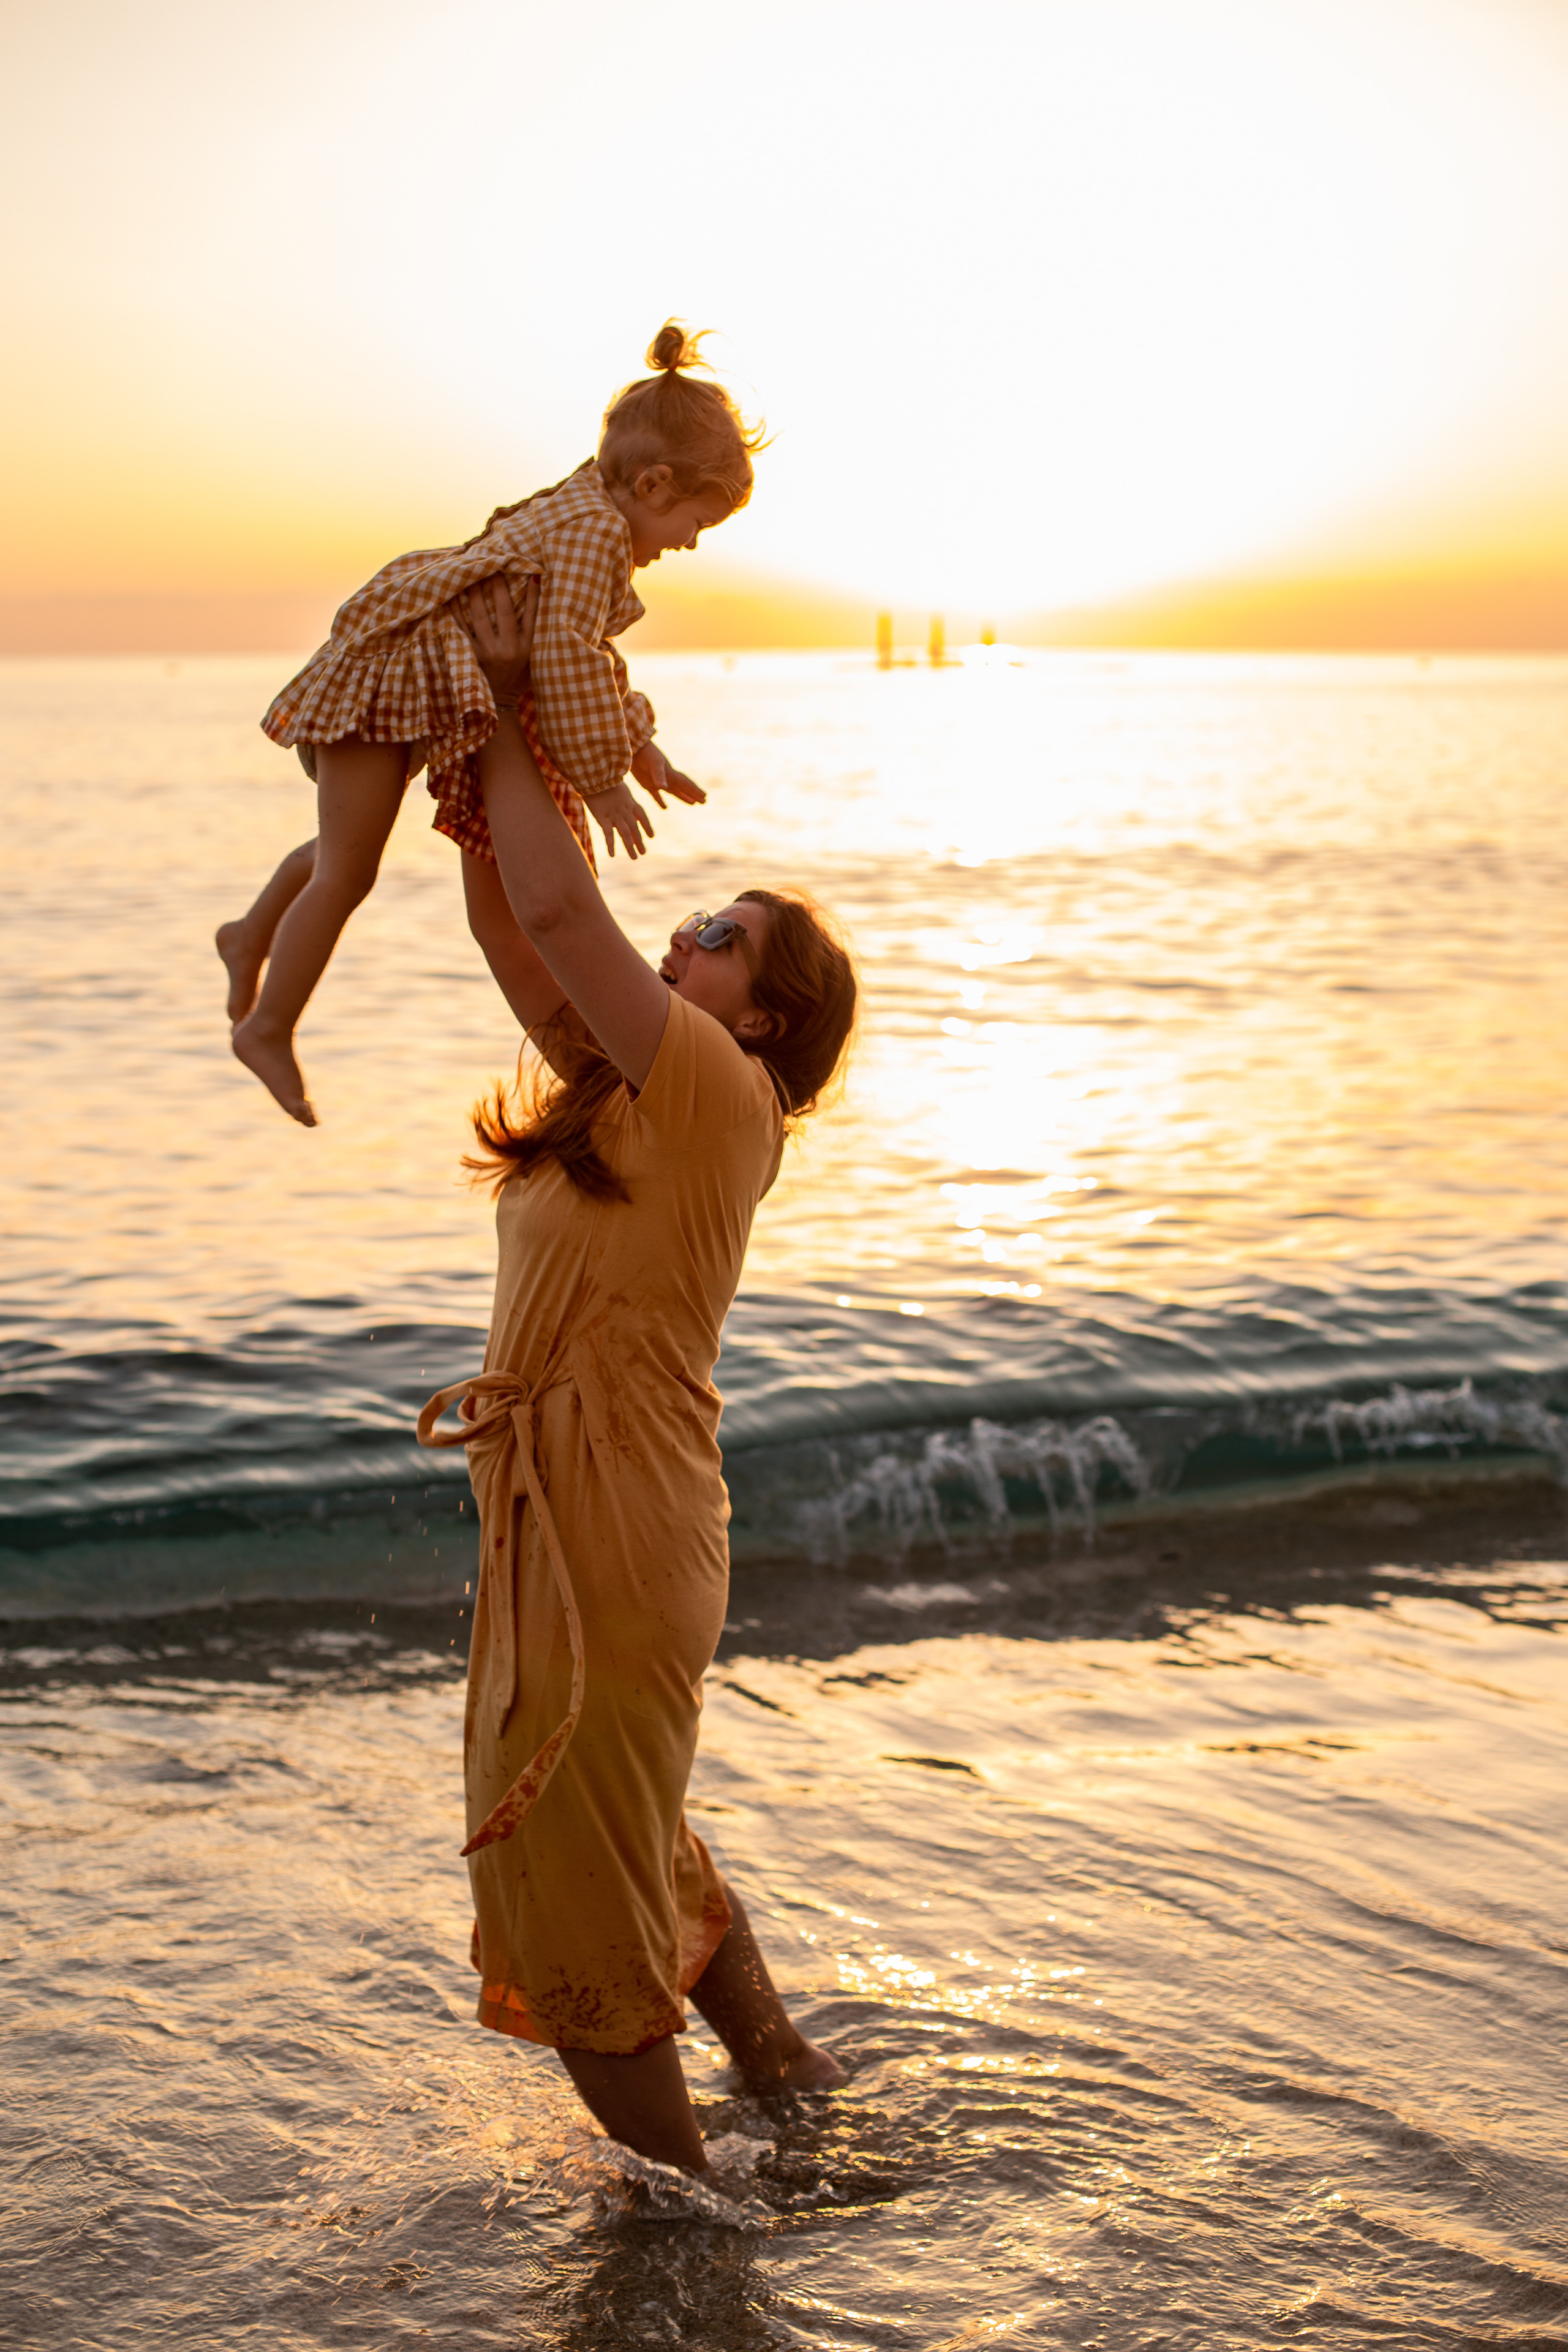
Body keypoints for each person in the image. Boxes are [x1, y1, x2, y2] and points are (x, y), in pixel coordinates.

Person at [417, 576, 858, 2180]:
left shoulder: (718, 1089)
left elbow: (555, 911)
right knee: (628, 1816)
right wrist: (479, 759)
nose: (681, 931)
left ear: (772, 1008)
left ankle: (690, 2213)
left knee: (570, 1859)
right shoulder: (626, 1088)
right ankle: (785, 2072)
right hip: (580, 1514)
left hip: (617, 1520)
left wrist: (518, 715)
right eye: (691, 921)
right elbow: (502, 912)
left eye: (716, 934)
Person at [217, 323, 761, 1127]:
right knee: (348, 871)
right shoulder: (596, 536)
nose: (688, 543)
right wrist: (604, 781)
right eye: (696, 523)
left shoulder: (585, 511)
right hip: (403, 670)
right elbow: (568, 660)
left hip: (418, 670)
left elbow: (585, 655)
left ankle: (250, 933)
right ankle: (268, 1026)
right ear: (653, 486)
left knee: (345, 842)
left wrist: (638, 742)